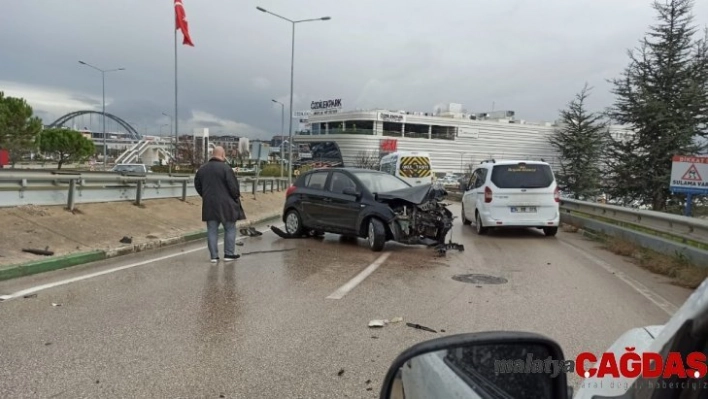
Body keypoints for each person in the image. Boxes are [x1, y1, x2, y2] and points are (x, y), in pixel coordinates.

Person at [194, 146, 246, 262]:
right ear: (223, 155)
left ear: (213, 154)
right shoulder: (226, 169)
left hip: (209, 205)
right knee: (230, 229)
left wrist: (205, 195)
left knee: (212, 230)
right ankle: (228, 254)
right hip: (226, 205)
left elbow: (197, 185)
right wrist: (236, 197)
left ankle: (214, 256)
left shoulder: (202, 169)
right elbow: (233, 187)